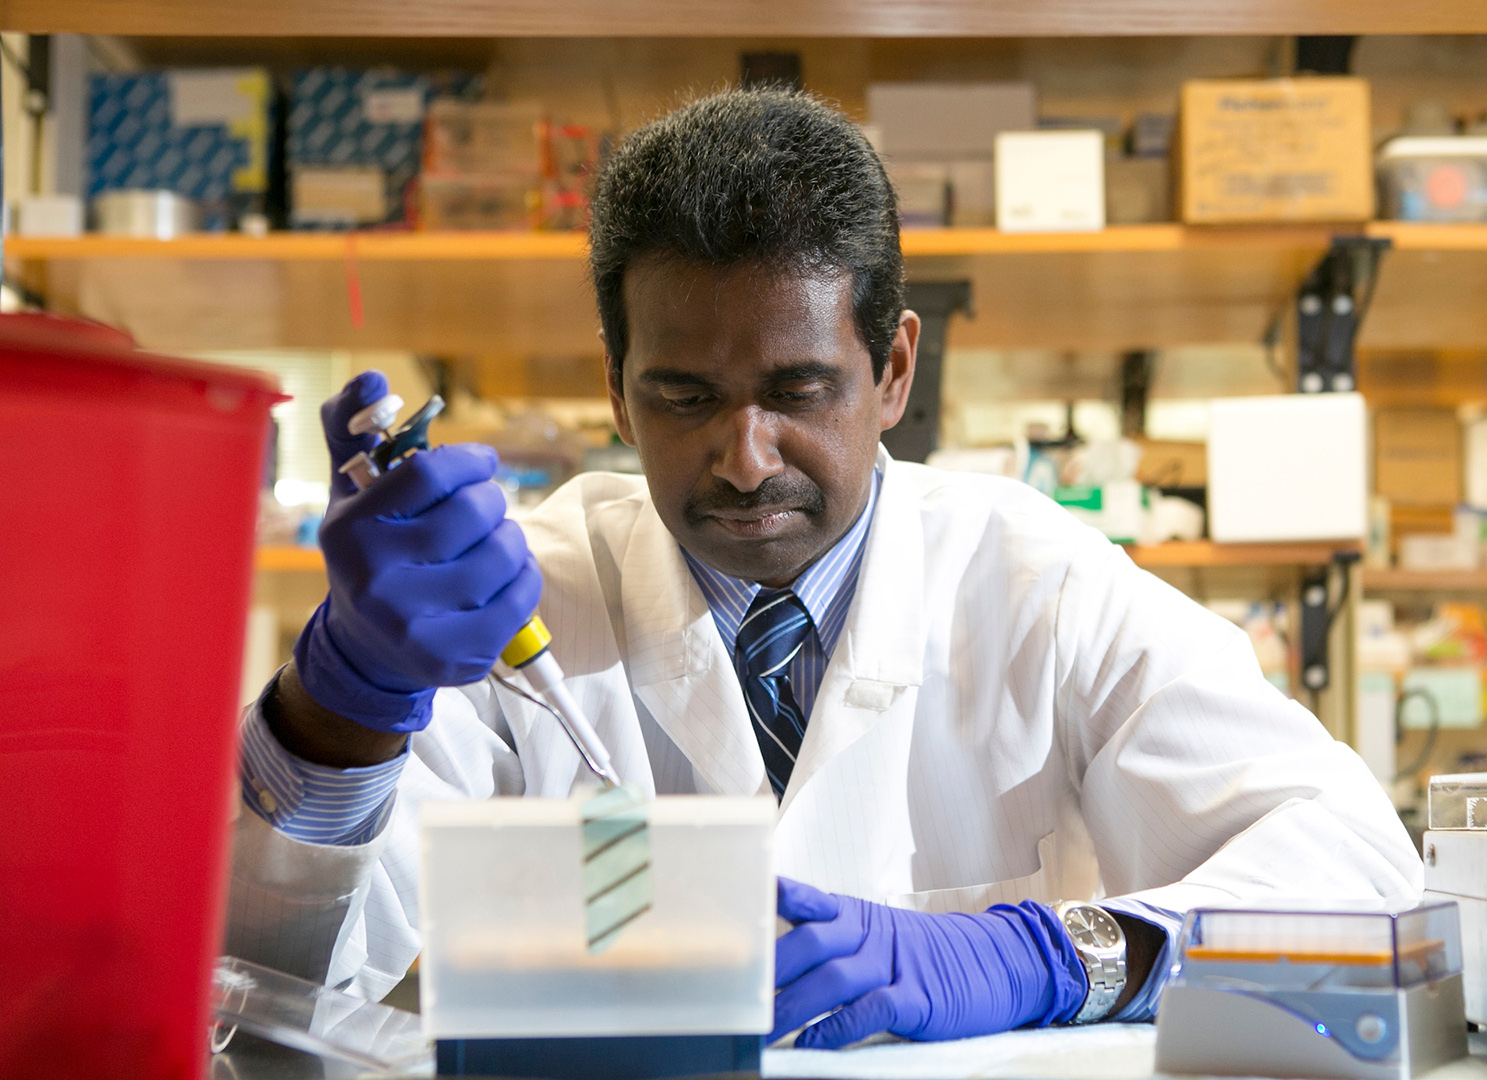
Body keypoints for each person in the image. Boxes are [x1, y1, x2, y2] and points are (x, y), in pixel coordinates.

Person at [226, 88, 1420, 1048]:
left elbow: (1364, 873)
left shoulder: (1036, 579)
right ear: (613, 384)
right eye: (682, 395)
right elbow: (256, 992)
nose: (745, 462)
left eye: (801, 392)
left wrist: (1039, 958)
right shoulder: (507, 602)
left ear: (893, 371)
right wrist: (343, 704)